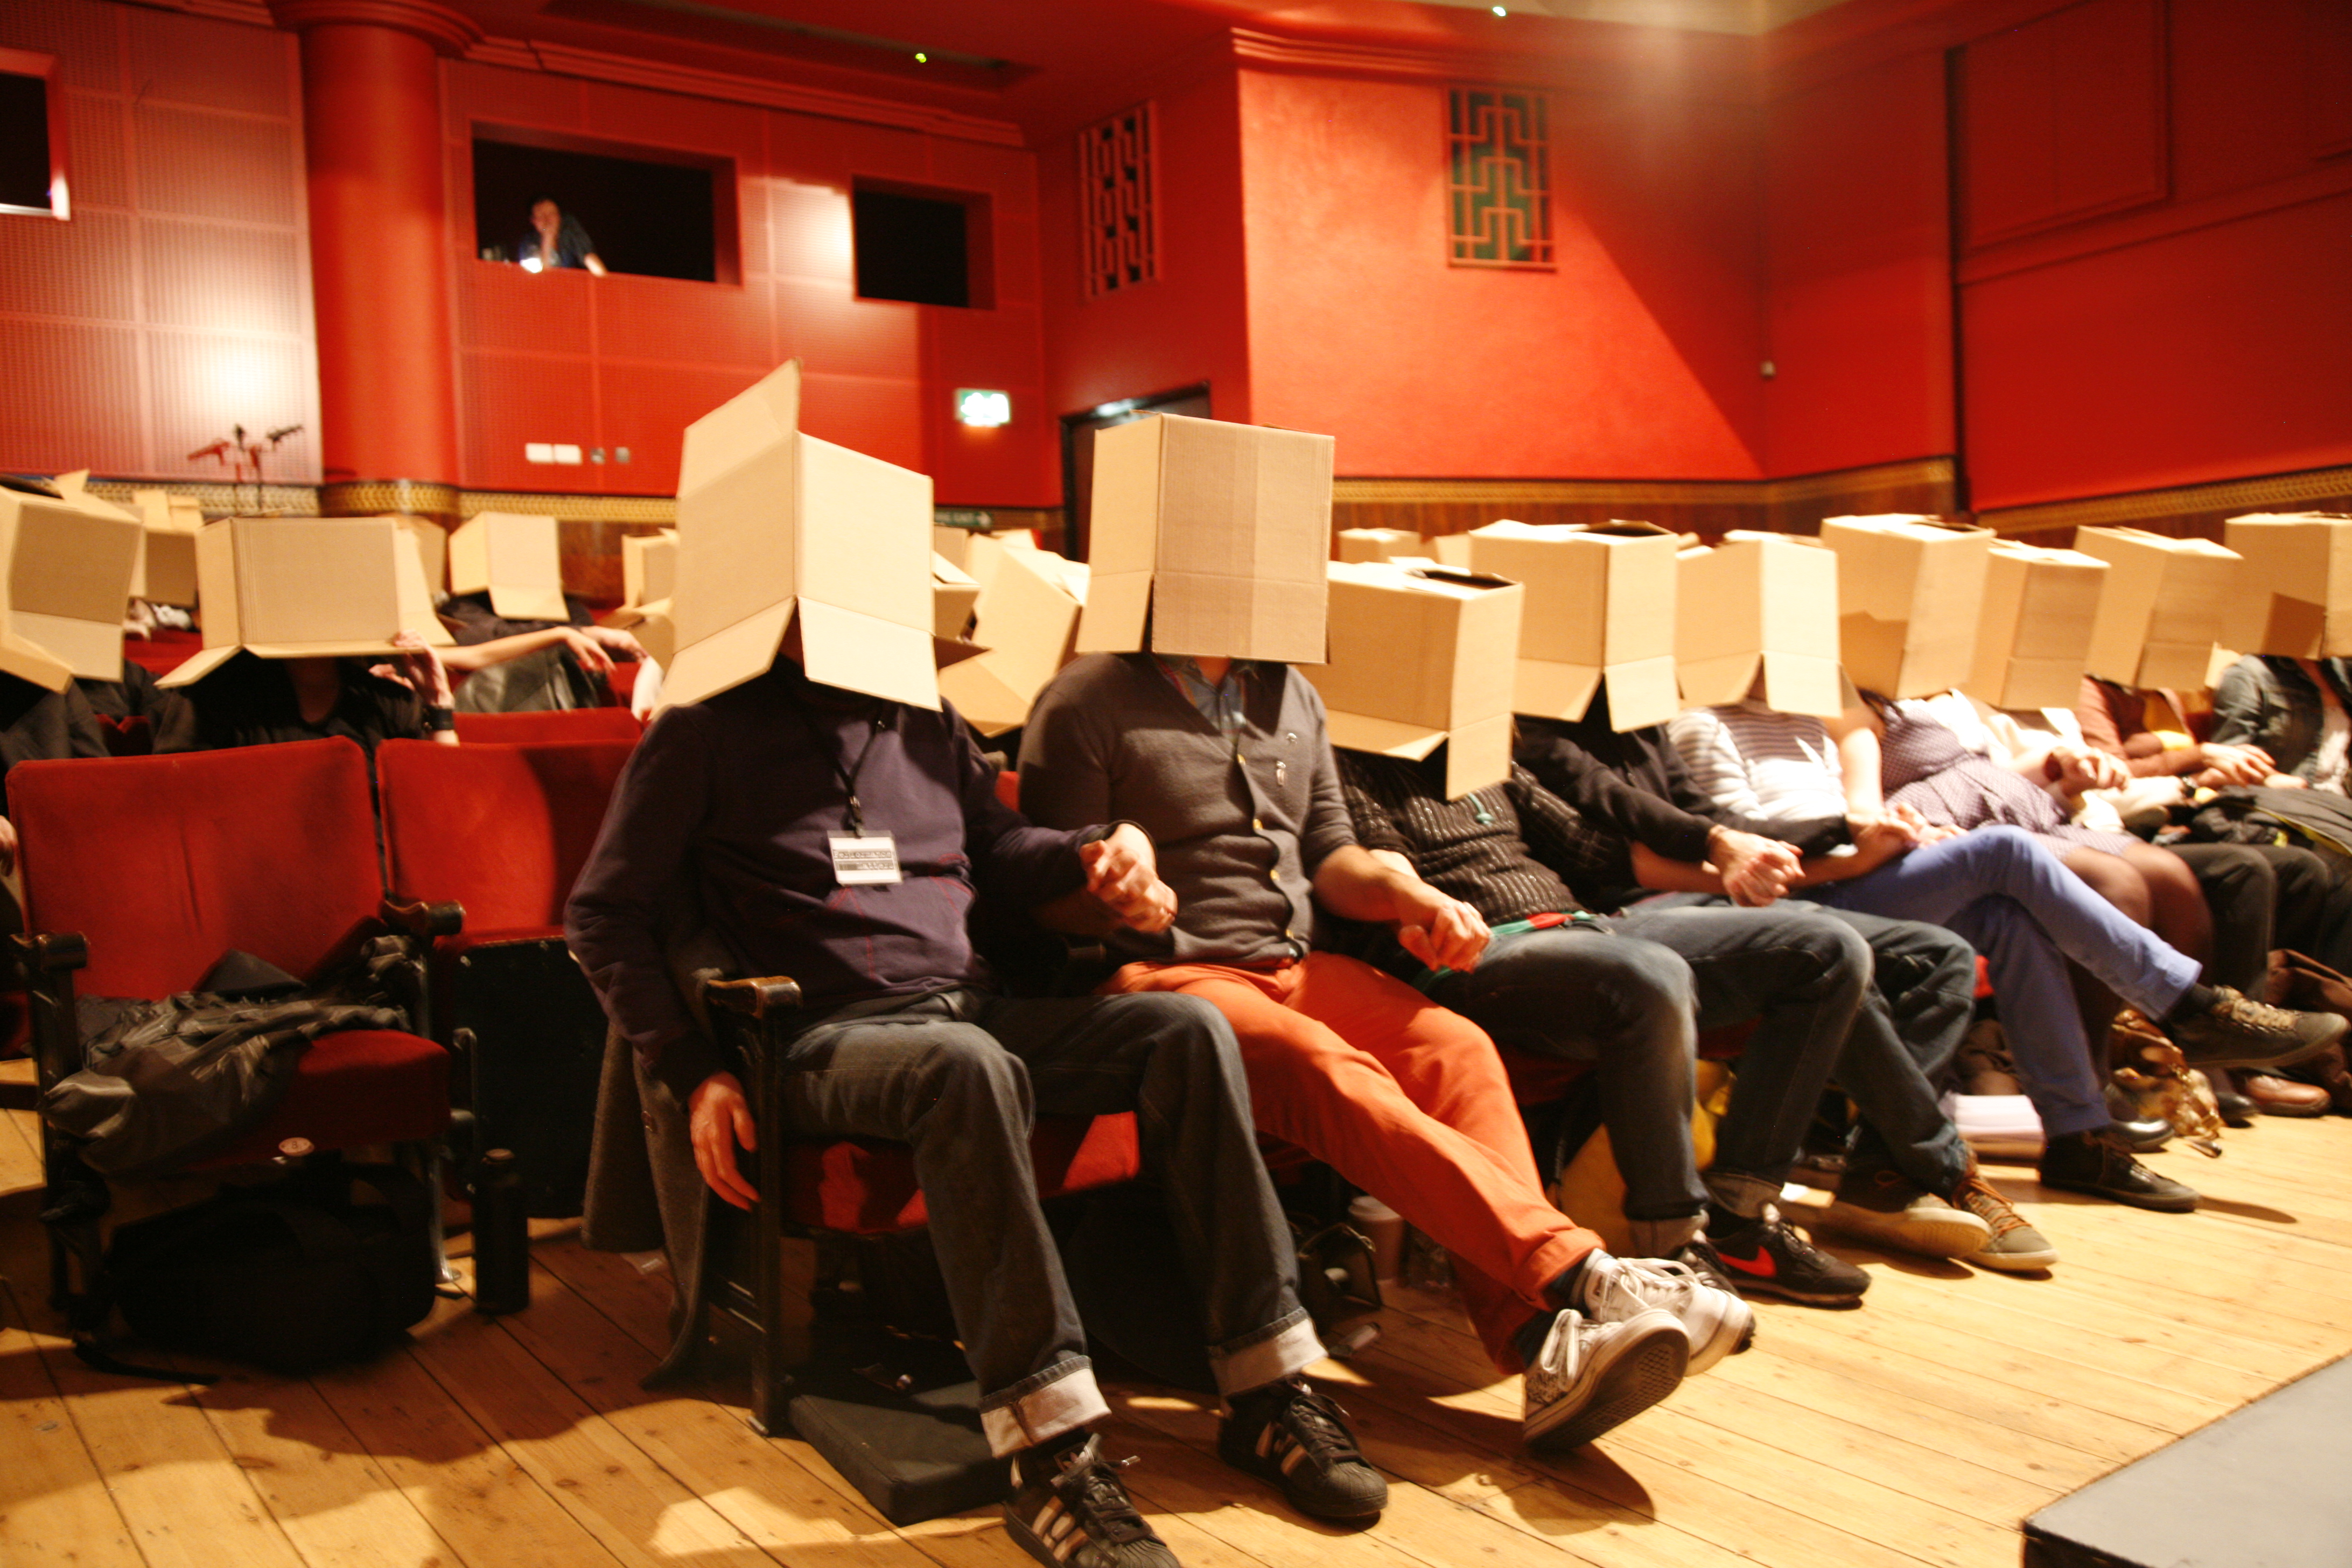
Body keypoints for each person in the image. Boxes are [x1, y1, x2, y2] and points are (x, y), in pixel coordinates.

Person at [564, 634, 1385, 1568]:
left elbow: (1001, 847)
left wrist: (1093, 853)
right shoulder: (702, 731)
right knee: (964, 1063)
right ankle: (1053, 1457)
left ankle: (1268, 1391)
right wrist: (689, 1065)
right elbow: (602, 912)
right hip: (815, 1039)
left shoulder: (920, 714)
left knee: (1186, 1031)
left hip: (960, 1004)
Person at [1020, 649, 1744, 1453]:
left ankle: (1547, 1350)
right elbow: (1045, 890)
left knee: (1455, 1047)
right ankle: (1585, 1277)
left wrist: (1414, 896)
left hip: (1293, 962)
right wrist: (1110, 882)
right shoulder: (1087, 697)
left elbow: (1332, 857)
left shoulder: (1289, 688)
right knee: (1323, 1065)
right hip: (1163, 977)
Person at [1334, 743, 2045, 1288]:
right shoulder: (1347, 756)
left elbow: (1596, 847)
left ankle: (1739, 1218)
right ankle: (1671, 1247)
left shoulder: (1479, 744)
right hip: (1478, 954)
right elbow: (1371, 869)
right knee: (1651, 972)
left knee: (1827, 949)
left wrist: (1749, 857)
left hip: (1583, 924)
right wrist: (1409, 895)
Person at [1664, 697, 2348, 1212]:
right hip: (1793, 899)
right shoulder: (1703, 721)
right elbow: (1743, 849)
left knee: (2010, 916)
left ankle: (2079, 1137)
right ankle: (2190, 1005)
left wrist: (1895, 831)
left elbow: (1861, 811)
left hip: (1857, 872)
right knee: (2005, 850)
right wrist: (1860, 846)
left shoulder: (1816, 712)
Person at [163, 631, 459, 754]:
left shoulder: (386, 701)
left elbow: (445, 807)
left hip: (375, 877)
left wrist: (438, 704)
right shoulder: (213, 698)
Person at [2208, 654, 2352, 790]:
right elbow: (2227, 763)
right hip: (2285, 802)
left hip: (2339, 797)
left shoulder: (2338, 668)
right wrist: (2268, 780)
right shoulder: (2248, 673)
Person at [520, 197, 606, 276]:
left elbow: (588, 256)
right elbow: (539, 279)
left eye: (552, 214)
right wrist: (547, 239)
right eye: (541, 216)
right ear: (533, 221)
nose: (548, 220)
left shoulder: (568, 229)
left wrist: (605, 282)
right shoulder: (529, 244)